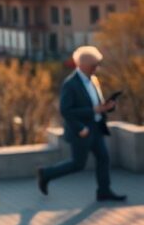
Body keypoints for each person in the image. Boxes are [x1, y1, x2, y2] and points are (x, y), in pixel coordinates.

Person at [37, 45, 126, 202]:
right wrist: (82, 125)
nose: (96, 68)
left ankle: (104, 191)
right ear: (83, 65)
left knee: (104, 158)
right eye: (94, 65)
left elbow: (96, 105)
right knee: (78, 164)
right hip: (82, 131)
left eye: (98, 64)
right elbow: (66, 111)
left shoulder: (94, 80)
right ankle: (46, 174)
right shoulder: (70, 84)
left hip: (96, 128)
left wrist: (106, 107)